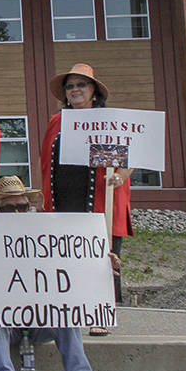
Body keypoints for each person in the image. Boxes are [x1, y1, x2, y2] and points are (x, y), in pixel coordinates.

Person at [0, 176, 117, 371]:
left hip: (42, 320)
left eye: (23, 207)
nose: (17, 212)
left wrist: (99, 267)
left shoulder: (48, 236)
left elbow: (70, 277)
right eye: (9, 207)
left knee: (68, 315)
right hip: (8, 323)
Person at [40, 63, 131, 337]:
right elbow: (45, 161)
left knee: (101, 256)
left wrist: (121, 176)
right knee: (67, 256)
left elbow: (127, 157)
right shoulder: (57, 121)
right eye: (70, 86)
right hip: (65, 197)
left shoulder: (106, 119)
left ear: (93, 90)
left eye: (82, 85)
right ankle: (70, 310)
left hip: (99, 197)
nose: (75, 90)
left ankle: (99, 312)